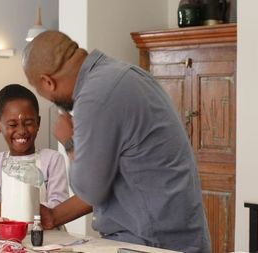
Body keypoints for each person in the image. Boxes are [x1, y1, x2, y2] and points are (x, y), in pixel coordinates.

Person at [22, 31, 211, 253]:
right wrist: (53, 216)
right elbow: (108, 180)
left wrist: (70, 142)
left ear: (48, 82)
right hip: (175, 238)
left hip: (152, 244)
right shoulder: (119, 75)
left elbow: (90, 189)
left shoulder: (95, 96)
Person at [0, 84, 69, 217]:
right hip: (10, 236)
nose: (22, 131)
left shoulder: (52, 159)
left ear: (38, 123)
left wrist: (9, 209)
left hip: (48, 235)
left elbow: (58, 206)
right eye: (12, 125)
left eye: (29, 123)